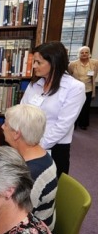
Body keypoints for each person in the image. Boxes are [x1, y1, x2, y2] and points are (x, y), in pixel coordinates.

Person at [20, 41, 85, 178]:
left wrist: (38, 146)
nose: (34, 66)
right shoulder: (35, 84)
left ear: (54, 62)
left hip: (54, 148)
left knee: (49, 190)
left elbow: (63, 126)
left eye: (39, 62)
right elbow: (22, 111)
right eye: (34, 62)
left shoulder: (75, 88)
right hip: (27, 143)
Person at [2, 104, 57, 230]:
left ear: (16, 134)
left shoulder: (30, 174)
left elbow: (11, 217)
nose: (2, 127)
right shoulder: (40, 155)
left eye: (5, 124)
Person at [68, 46, 98, 130]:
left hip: (88, 89)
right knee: (74, 107)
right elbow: (69, 74)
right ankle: (74, 124)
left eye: (86, 52)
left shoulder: (95, 63)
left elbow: (95, 73)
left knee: (85, 107)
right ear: (79, 54)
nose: (84, 54)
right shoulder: (73, 64)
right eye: (82, 52)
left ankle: (83, 124)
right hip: (76, 89)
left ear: (89, 54)